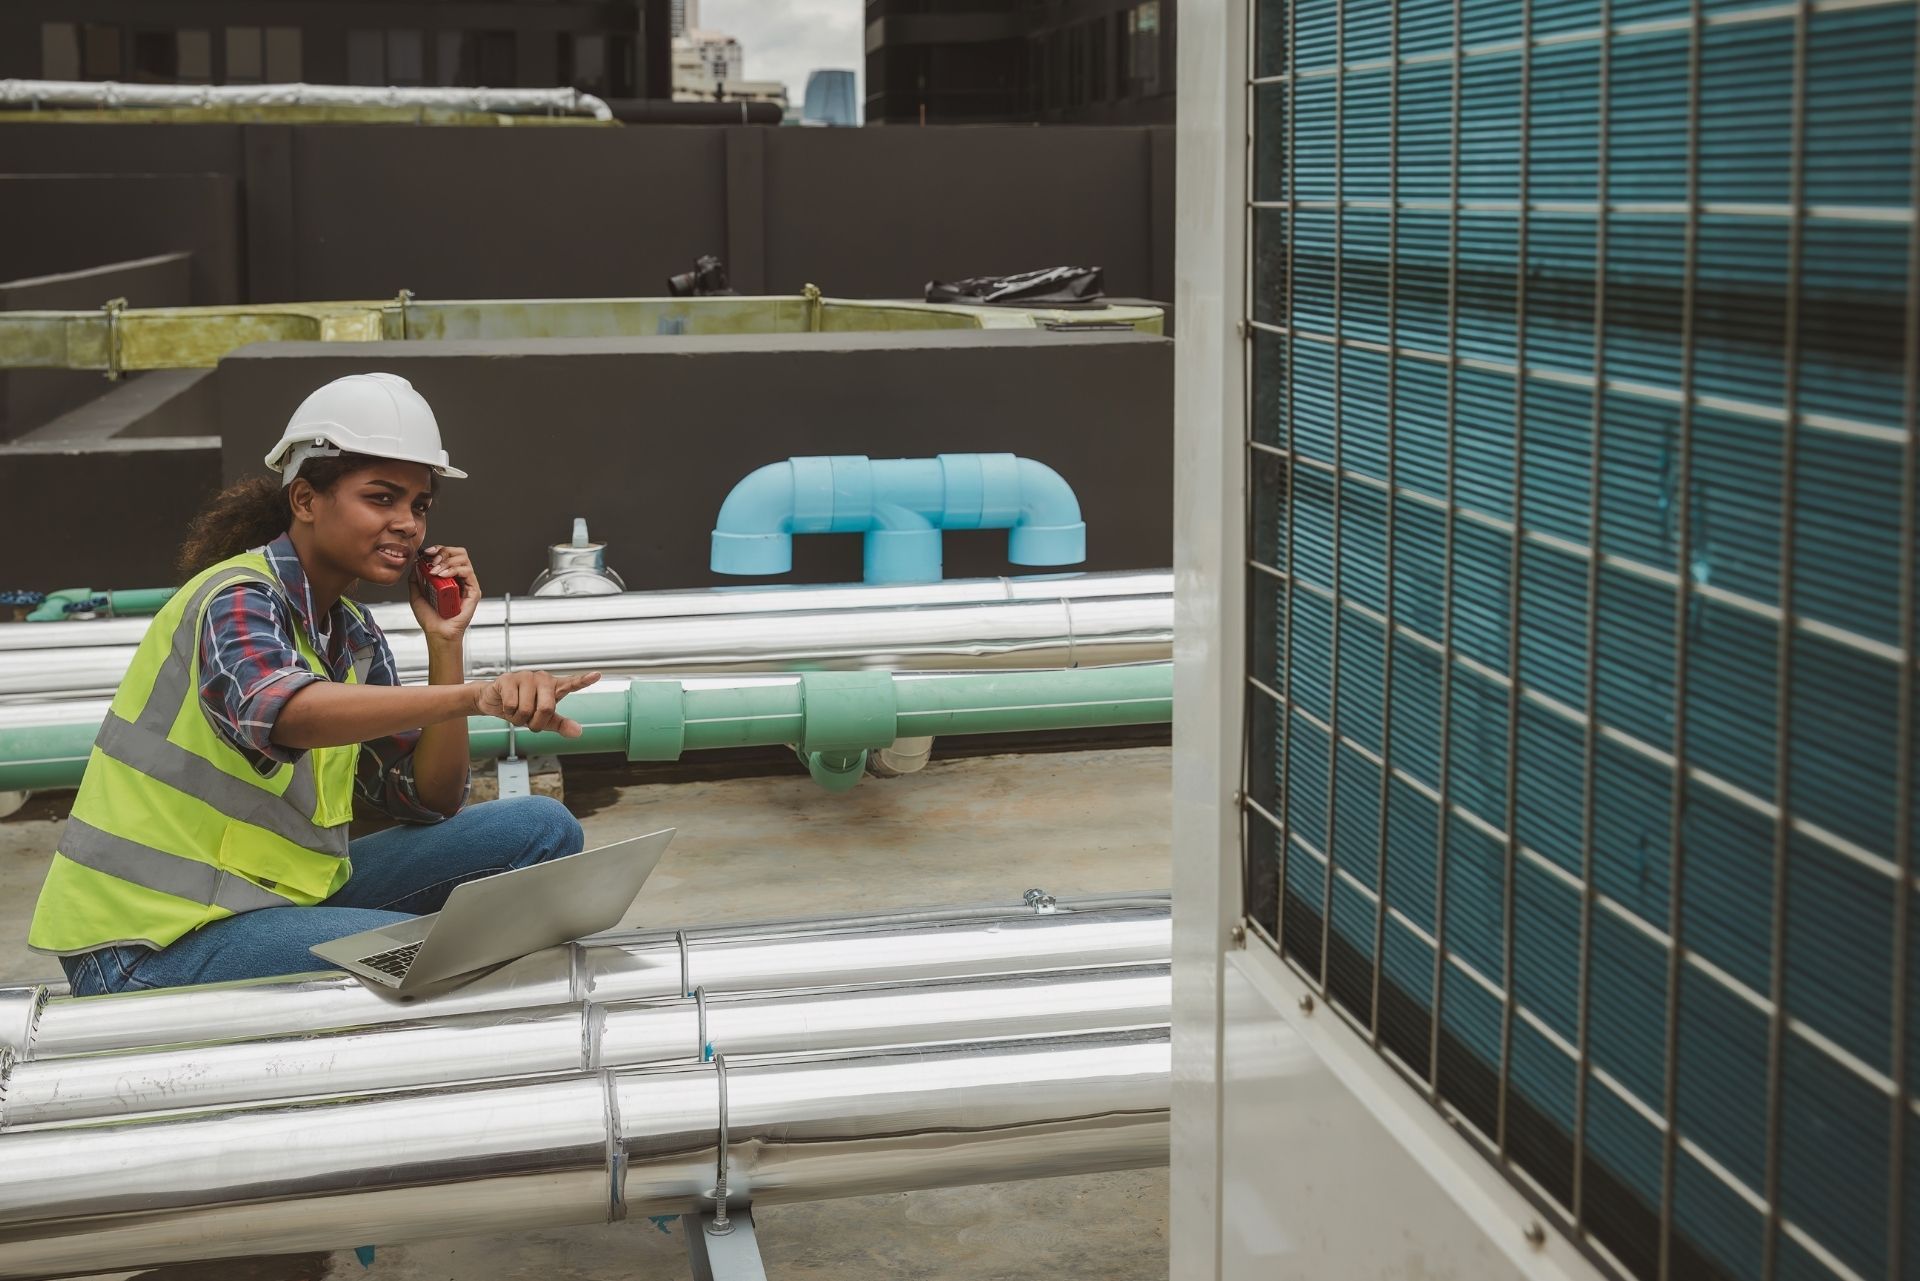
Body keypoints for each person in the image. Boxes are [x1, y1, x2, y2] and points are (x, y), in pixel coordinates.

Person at [28, 372, 600, 996]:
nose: (408, 524)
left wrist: (446, 644)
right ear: (305, 500)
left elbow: (427, 800)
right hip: (150, 939)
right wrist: (478, 697)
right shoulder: (236, 598)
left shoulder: (351, 634)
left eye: (419, 505)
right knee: (405, 951)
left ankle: (380, 957)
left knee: (544, 830)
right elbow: (283, 711)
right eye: (381, 498)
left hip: (273, 898)